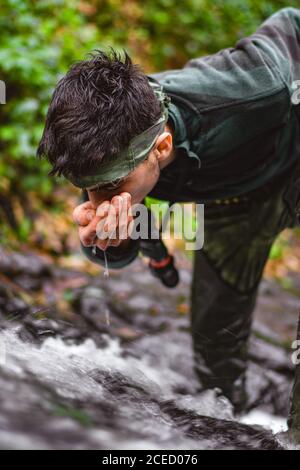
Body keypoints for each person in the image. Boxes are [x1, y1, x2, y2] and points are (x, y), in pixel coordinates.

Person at [37, 7, 300, 435]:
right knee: (216, 344)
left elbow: (292, 19)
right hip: (235, 202)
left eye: (110, 186)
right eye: (86, 187)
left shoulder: (255, 84)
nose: (98, 199)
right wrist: (111, 242)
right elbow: (126, 243)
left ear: (161, 148)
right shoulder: (104, 150)